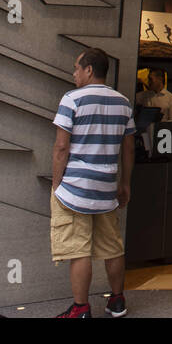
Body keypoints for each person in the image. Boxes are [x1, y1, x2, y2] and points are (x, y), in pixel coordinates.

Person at [51, 48, 135, 318]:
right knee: (113, 247)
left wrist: (56, 186)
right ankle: (117, 301)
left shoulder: (71, 99)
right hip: (107, 188)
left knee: (79, 250)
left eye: (77, 68)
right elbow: (129, 149)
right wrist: (125, 183)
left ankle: (81, 308)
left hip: (74, 190)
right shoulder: (123, 103)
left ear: (89, 70)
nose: (74, 73)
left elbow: (61, 148)